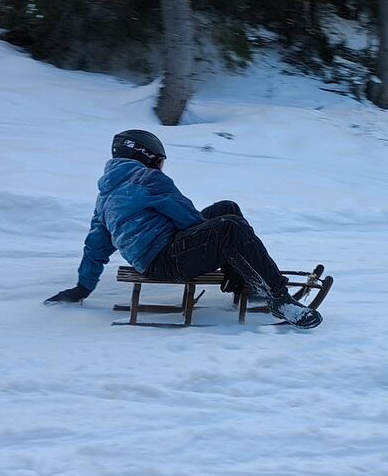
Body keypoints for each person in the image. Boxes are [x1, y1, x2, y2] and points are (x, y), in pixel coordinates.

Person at [45, 129, 322, 329]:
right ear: (148, 157)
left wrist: (83, 287)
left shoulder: (105, 197)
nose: (161, 166)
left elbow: (95, 248)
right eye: (160, 160)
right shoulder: (149, 179)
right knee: (230, 228)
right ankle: (280, 300)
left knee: (227, 208)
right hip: (167, 259)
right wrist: (226, 251)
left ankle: (249, 282)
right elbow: (189, 220)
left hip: (155, 259)